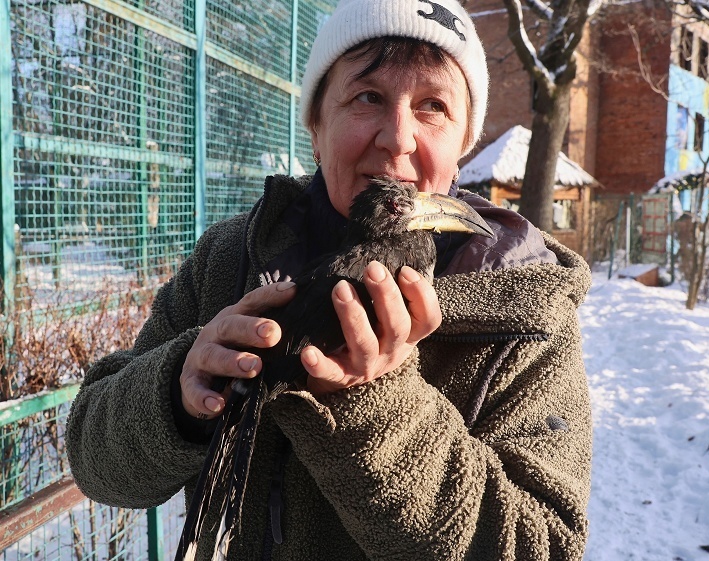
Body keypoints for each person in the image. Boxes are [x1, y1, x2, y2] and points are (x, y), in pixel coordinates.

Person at [65, 0, 593, 559]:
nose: (398, 138)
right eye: (368, 96)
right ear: (315, 127)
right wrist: (181, 391)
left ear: (463, 145)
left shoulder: (526, 308)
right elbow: (94, 462)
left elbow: (545, 546)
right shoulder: (229, 260)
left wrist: (379, 408)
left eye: (433, 106)